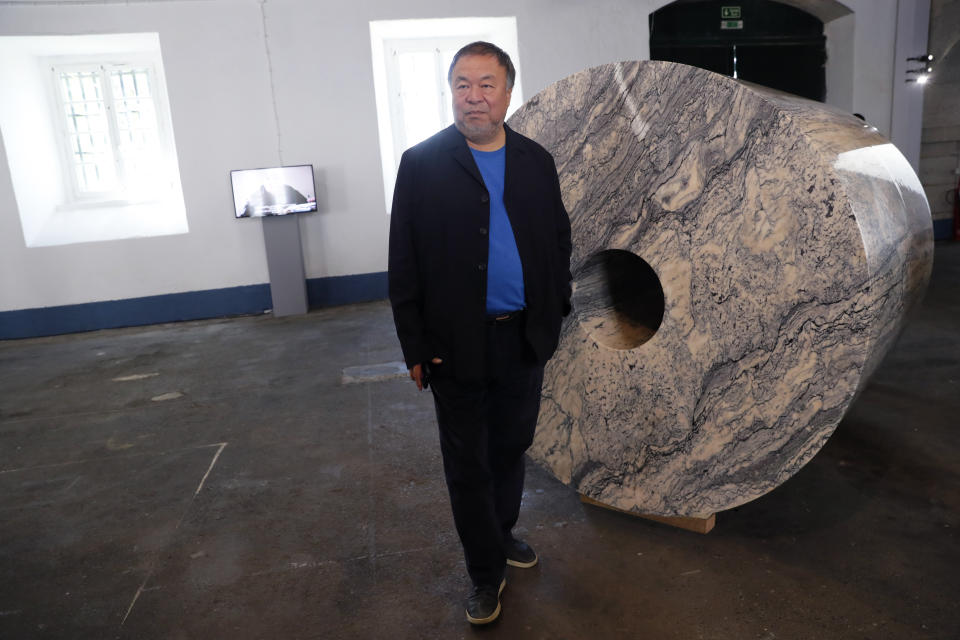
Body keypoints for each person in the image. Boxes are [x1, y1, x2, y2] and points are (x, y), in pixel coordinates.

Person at [388, 41, 572, 625]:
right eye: (463, 84)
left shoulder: (536, 161)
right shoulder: (422, 165)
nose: (474, 96)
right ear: (451, 93)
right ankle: (483, 573)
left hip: (522, 339)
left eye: (486, 84)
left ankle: (502, 532)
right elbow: (404, 264)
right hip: (454, 345)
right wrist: (415, 346)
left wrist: (556, 308)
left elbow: (558, 242)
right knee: (468, 463)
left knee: (511, 447)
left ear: (507, 93)